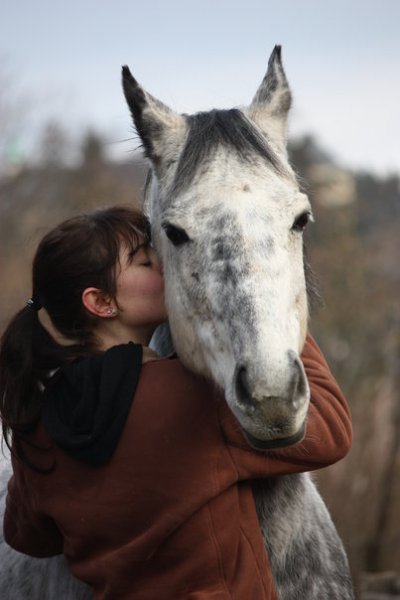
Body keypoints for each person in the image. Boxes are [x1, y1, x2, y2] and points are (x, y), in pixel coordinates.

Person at [0, 205, 352, 600]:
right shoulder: (188, 396)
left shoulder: (39, 418)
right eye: (146, 261)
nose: (168, 267)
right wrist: (273, 321)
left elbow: (25, 535)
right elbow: (330, 430)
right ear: (101, 302)